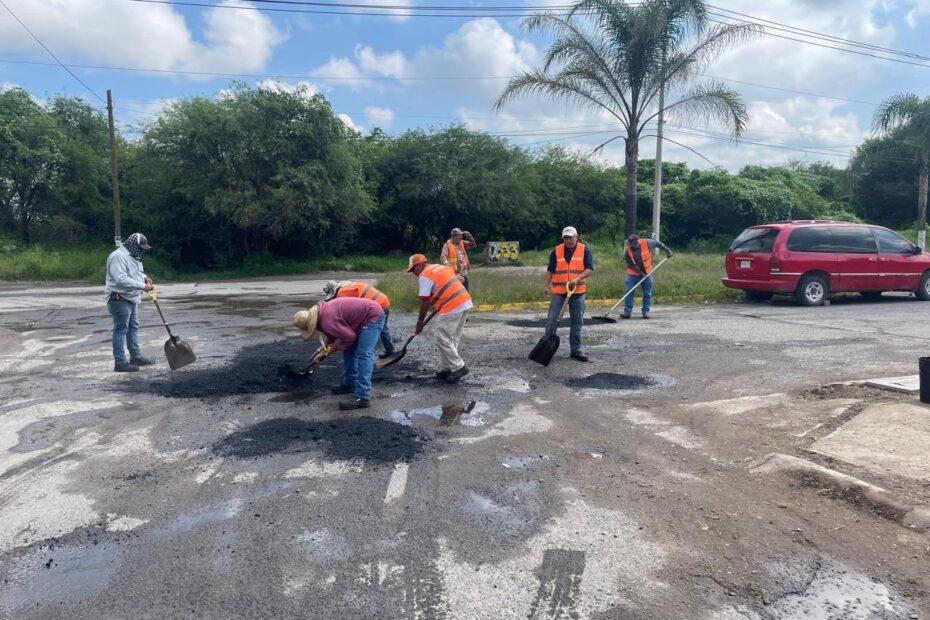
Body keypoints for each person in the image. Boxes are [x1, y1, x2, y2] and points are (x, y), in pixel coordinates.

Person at [292, 296, 386, 410]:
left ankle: (363, 397)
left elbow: (350, 337)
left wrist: (335, 347)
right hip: (359, 318)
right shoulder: (322, 314)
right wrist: (323, 353)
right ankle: (350, 384)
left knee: (364, 353)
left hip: (372, 315)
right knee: (348, 349)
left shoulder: (327, 320)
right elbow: (331, 336)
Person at [407, 253, 473, 383]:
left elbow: (425, 301)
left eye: (413, 269)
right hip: (464, 301)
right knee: (451, 338)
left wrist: (420, 322)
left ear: (419, 265)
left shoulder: (425, 275)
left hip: (452, 305)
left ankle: (459, 367)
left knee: (442, 337)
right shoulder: (441, 267)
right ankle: (447, 368)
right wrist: (441, 293)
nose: (413, 273)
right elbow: (461, 279)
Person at [105, 233, 156, 372]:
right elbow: (121, 278)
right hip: (119, 298)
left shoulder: (133, 256)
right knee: (121, 329)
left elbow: (134, 272)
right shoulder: (118, 256)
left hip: (131, 297)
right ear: (133, 245)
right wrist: (143, 286)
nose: (142, 250)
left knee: (133, 326)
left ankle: (136, 357)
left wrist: (144, 277)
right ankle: (120, 362)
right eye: (140, 247)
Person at [544, 226, 593, 362]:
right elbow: (550, 269)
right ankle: (546, 348)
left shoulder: (584, 250)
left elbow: (589, 268)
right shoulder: (556, 251)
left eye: (571, 237)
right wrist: (546, 285)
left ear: (576, 237)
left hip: (577, 292)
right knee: (552, 320)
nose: (568, 240)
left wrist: (577, 279)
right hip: (559, 292)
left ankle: (575, 350)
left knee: (577, 322)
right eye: (566, 238)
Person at [323, 280, 396, 359]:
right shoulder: (346, 287)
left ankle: (376, 353)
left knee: (374, 329)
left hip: (378, 305)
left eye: (333, 297)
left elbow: (351, 312)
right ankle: (389, 350)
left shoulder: (342, 294)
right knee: (383, 328)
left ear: (333, 292)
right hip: (383, 301)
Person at [621, 234, 673, 319]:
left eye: (634, 245)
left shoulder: (647, 243)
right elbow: (631, 265)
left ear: (638, 241)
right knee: (629, 292)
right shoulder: (628, 251)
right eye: (631, 245)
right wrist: (641, 273)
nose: (632, 247)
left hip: (648, 273)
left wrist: (668, 251)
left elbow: (657, 243)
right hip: (633, 274)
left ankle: (645, 312)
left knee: (647, 294)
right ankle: (627, 312)